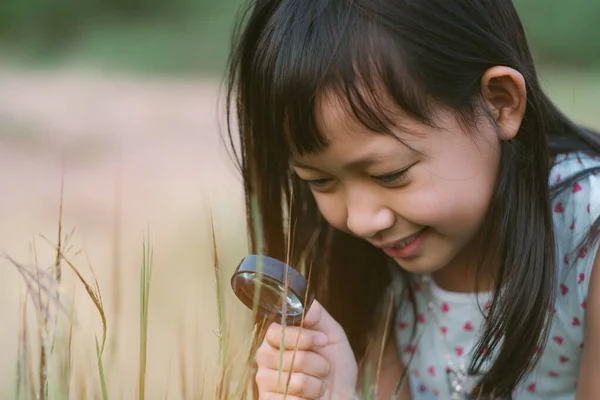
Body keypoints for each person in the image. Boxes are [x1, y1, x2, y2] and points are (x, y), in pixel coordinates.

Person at [224, 0, 600, 398]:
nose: (361, 220)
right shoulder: (372, 266)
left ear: (499, 102)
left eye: (391, 174)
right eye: (319, 181)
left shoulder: (588, 240)